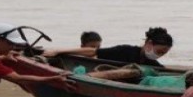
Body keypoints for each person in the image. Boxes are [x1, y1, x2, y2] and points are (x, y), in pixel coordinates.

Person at [45, 27, 173, 67]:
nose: (159, 55)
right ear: (149, 43)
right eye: (159, 51)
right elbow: (92, 52)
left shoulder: (154, 65)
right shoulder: (125, 51)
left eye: (163, 54)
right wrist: (58, 51)